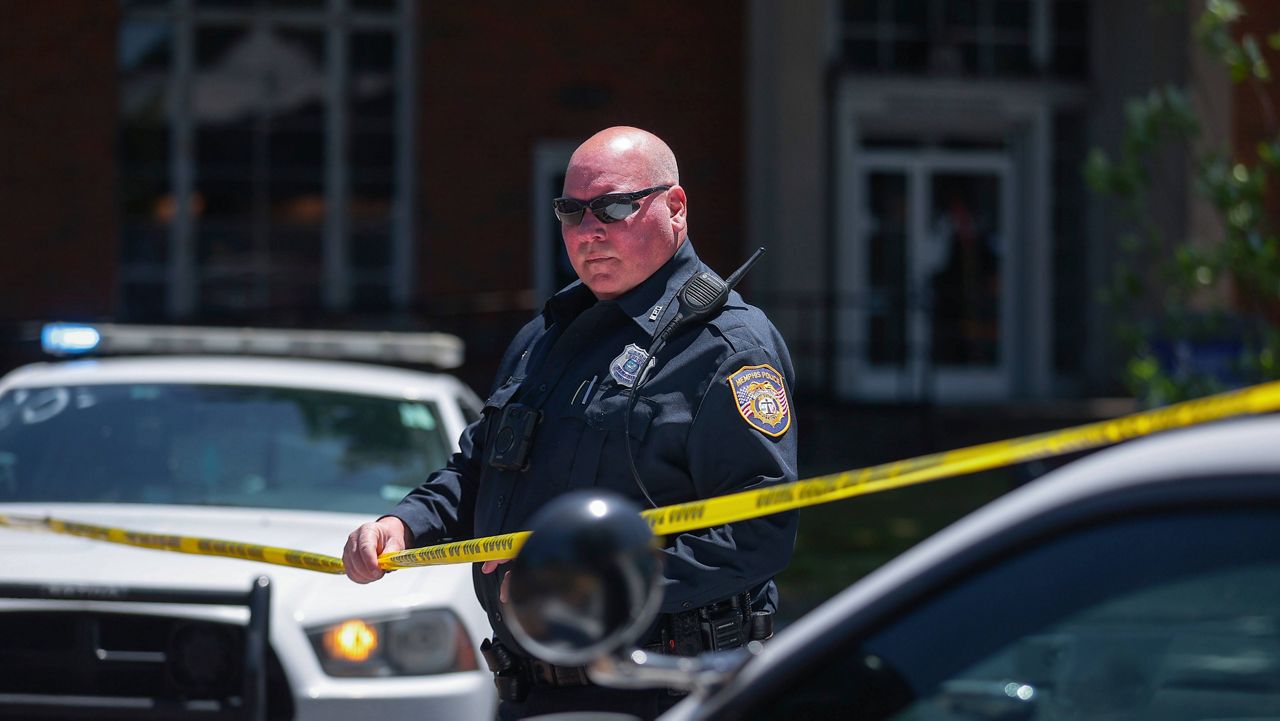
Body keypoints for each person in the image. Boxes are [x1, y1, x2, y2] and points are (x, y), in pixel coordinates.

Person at [343, 126, 798, 720]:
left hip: (661, 688)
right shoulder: (546, 337)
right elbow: (478, 471)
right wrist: (402, 525)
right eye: (571, 211)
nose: (589, 231)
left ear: (675, 208)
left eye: (613, 207)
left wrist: (574, 589)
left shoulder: (725, 348)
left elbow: (754, 534)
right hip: (531, 689)